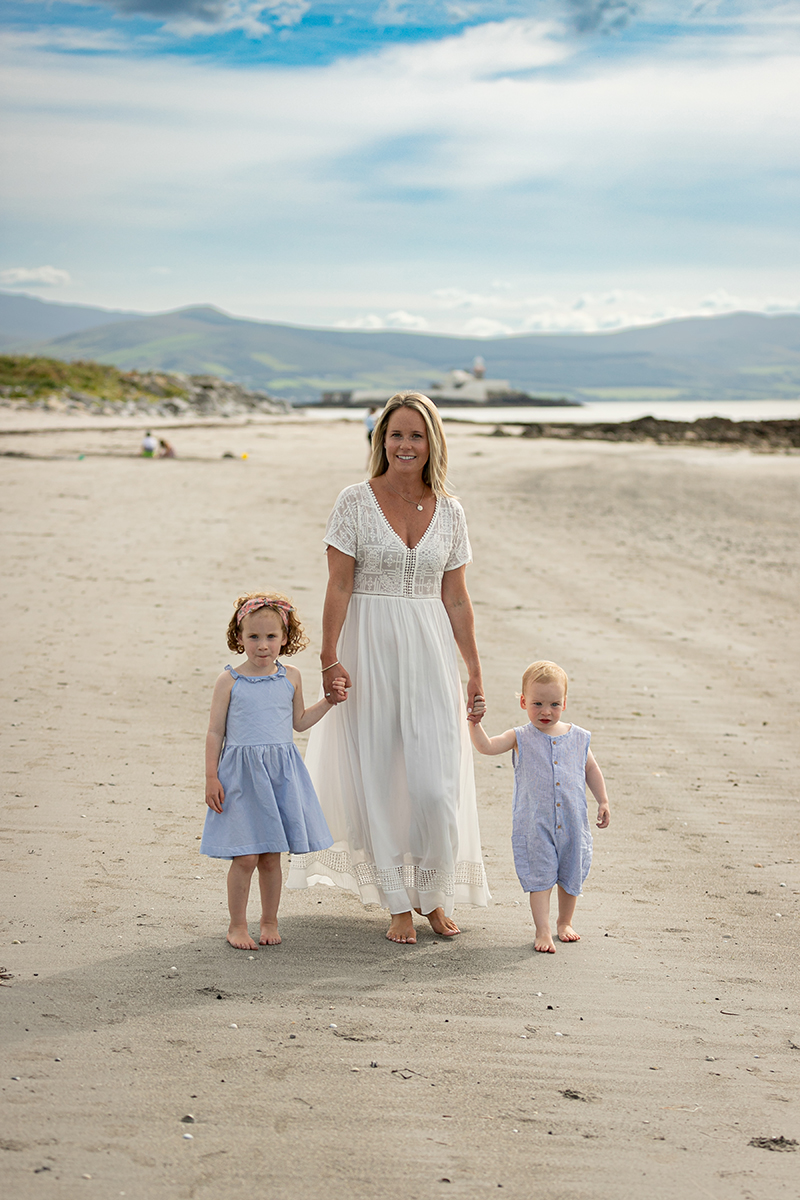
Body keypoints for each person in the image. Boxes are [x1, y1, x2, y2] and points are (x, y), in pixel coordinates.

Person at [287, 391, 490, 944]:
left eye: (415, 435)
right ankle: (395, 901)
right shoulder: (354, 501)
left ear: (432, 444)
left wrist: (473, 669)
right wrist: (329, 658)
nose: (405, 444)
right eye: (394, 435)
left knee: (434, 783)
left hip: (429, 651)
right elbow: (339, 585)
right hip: (367, 647)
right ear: (381, 442)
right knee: (375, 773)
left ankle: (435, 891)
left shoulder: (451, 510)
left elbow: (456, 599)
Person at [201, 592, 346, 950]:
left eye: (271, 637)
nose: (262, 645)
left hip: (280, 774)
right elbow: (214, 732)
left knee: (270, 855)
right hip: (241, 778)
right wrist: (210, 777)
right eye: (253, 637)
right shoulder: (230, 681)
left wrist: (329, 701)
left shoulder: (291, 677)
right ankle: (237, 924)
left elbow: (299, 722)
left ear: (285, 638)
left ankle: (269, 919)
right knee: (246, 854)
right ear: (239, 638)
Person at [469, 660, 610, 953]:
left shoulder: (578, 737)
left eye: (554, 704)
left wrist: (603, 800)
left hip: (573, 822)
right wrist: (475, 723)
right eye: (537, 703)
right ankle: (543, 929)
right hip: (535, 824)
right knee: (541, 876)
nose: (546, 711)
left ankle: (564, 922)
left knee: (571, 873)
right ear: (523, 701)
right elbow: (487, 747)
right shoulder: (520, 736)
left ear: (565, 703)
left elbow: (591, 769)